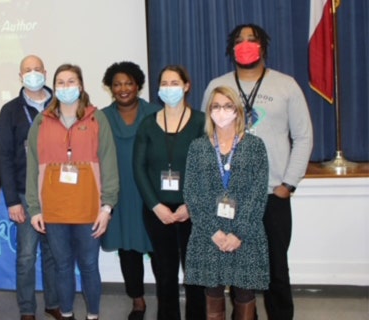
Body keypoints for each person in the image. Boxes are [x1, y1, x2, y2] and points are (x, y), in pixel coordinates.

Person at [201, 24, 313, 320]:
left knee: (276, 267)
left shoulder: (286, 85)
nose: (246, 45)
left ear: (263, 45)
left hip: (272, 193)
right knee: (236, 266)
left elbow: (303, 136)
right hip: (230, 196)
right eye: (239, 41)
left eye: (252, 40)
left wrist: (289, 184)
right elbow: (206, 137)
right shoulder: (217, 85)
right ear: (231, 48)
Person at [26, 63, 119, 320]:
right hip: (53, 211)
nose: (66, 87)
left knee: (89, 266)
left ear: (80, 86)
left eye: (71, 81)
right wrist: (34, 208)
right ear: (54, 88)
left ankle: (93, 315)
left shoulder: (97, 119)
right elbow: (32, 167)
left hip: (89, 209)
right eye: (61, 83)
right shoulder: (41, 121)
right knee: (62, 267)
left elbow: (109, 165)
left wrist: (107, 207)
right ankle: (66, 314)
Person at [184, 86, 270, 320]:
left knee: (244, 293)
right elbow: (192, 193)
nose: (222, 111)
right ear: (209, 111)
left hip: (245, 233)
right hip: (208, 234)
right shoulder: (198, 147)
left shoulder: (255, 146)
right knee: (212, 293)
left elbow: (258, 194)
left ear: (238, 110)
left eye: (228, 106)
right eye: (216, 106)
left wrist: (238, 233)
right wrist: (214, 232)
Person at [133, 65, 206, 319]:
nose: (169, 88)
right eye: (164, 83)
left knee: (195, 272)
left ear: (187, 86)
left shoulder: (201, 122)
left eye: (175, 83)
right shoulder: (147, 124)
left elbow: (208, 168)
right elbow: (139, 168)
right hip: (157, 211)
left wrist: (191, 205)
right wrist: (155, 205)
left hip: (193, 210)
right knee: (165, 272)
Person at [0, 55, 61, 320]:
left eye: (37, 69)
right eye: (27, 70)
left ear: (45, 72)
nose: (33, 73)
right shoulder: (10, 110)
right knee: (26, 256)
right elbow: (4, 156)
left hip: (58, 193)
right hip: (25, 194)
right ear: (20, 76)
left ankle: (53, 303)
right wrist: (11, 200)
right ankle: (26, 309)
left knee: (54, 253)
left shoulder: (62, 105)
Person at [99, 61, 158, 320]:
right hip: (119, 193)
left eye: (128, 83)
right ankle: (137, 301)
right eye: (117, 84)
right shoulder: (101, 117)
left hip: (152, 193)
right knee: (128, 251)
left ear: (138, 86)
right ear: (111, 88)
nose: (123, 88)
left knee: (159, 249)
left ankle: (167, 301)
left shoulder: (156, 113)